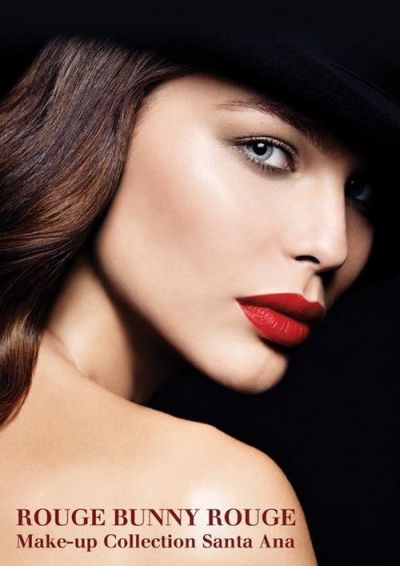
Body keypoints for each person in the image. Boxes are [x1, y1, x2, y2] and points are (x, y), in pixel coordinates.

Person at [0, 11, 398, 565]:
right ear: (102, 120)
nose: (332, 246)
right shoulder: (205, 511)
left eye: (360, 192)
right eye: (265, 150)